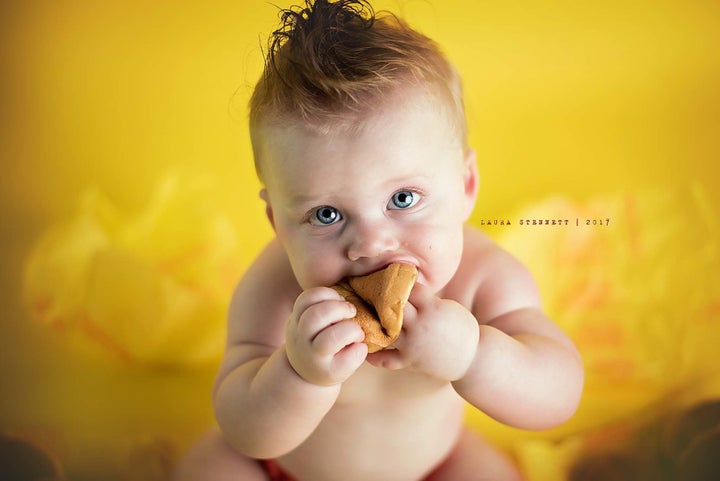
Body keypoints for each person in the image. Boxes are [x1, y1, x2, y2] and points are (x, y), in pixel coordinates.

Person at [174, 1, 584, 480]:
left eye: (404, 199)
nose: (370, 244)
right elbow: (243, 428)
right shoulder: (275, 290)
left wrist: (471, 355)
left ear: (466, 185)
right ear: (278, 222)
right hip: (279, 469)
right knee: (208, 470)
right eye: (326, 214)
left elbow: (559, 394)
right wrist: (299, 374)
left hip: (432, 466)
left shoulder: (484, 278)